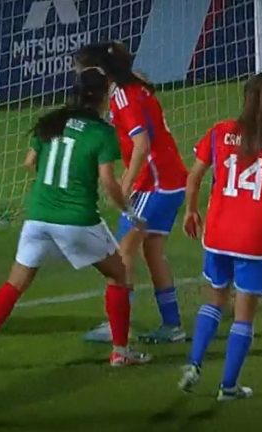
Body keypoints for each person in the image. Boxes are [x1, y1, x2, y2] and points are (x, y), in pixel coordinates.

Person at [0, 67, 151, 369]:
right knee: (119, 274)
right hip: (76, 219)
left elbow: (30, 163)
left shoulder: (51, 122)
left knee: (15, 284)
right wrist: (128, 210)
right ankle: (120, 351)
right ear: (103, 97)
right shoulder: (102, 133)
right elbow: (107, 182)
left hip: (38, 215)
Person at [177, 73, 262, 400]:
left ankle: (193, 365)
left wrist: (190, 210)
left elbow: (194, 176)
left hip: (217, 233)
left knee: (214, 300)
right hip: (254, 240)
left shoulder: (220, 132)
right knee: (243, 313)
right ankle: (228, 387)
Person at [75, 41, 189, 344]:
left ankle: (117, 326)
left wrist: (123, 187)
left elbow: (142, 145)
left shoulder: (123, 96)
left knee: (122, 254)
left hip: (155, 184)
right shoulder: (135, 88)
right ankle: (173, 325)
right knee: (153, 252)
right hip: (171, 181)